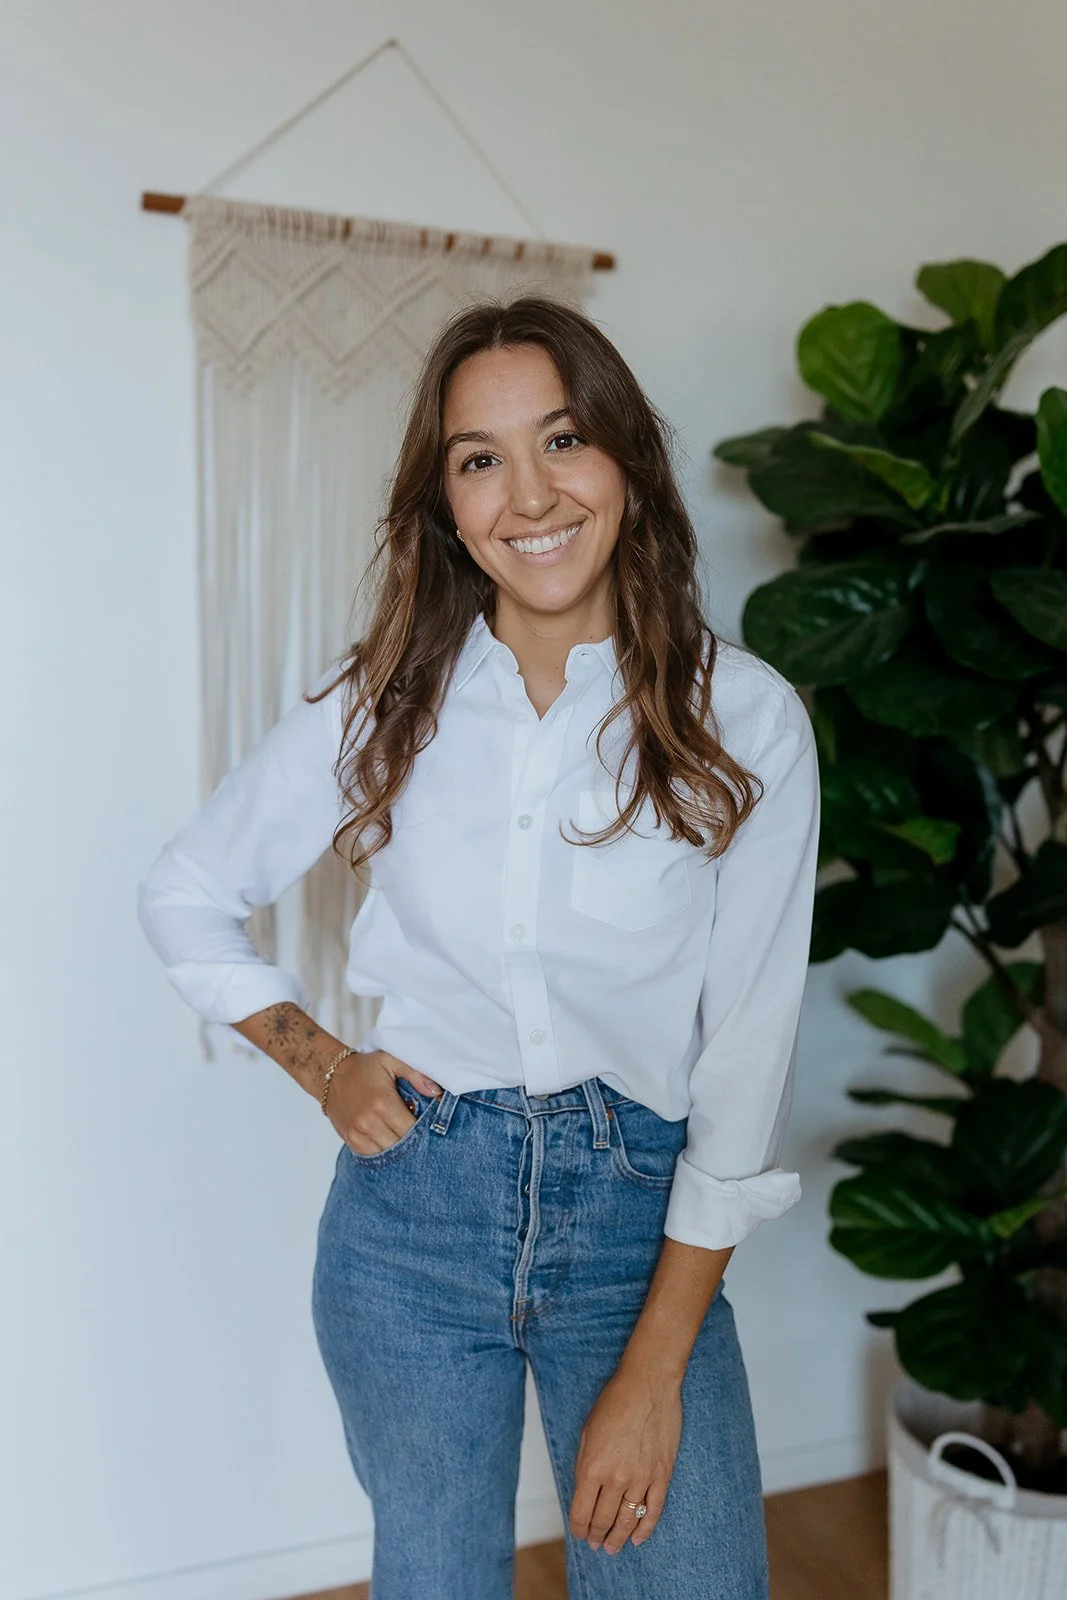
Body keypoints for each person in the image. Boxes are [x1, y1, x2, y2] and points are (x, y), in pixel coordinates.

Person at [137, 295, 820, 1600]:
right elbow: (185, 891)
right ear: (445, 502)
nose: (529, 496)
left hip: (637, 1234)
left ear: (625, 459)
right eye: (479, 458)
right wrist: (321, 1060)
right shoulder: (381, 702)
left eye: (563, 440)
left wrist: (655, 1362)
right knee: (436, 1580)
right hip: (409, 1231)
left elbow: (743, 1059)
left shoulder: (744, 720)